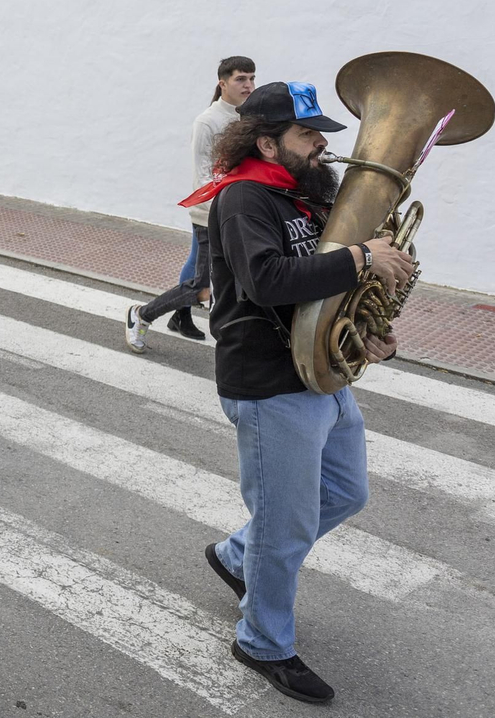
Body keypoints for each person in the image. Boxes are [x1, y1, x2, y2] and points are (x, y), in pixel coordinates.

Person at [188, 81, 411, 705]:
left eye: (321, 136)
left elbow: (322, 289)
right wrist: (362, 257)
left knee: (345, 492)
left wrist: (366, 327)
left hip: (320, 372)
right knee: (285, 527)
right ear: (267, 141)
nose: (322, 147)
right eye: (308, 136)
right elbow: (266, 280)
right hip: (268, 383)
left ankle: (238, 556)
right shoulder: (244, 199)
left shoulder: (307, 198)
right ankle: (261, 641)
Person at [126, 56, 256, 350]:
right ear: (223, 83)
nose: (248, 85)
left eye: (251, 78)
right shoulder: (208, 122)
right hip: (211, 212)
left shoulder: (248, 117)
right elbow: (203, 174)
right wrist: (226, 211)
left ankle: (183, 318)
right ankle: (141, 315)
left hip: (238, 210)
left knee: (217, 277)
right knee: (202, 286)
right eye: (240, 79)